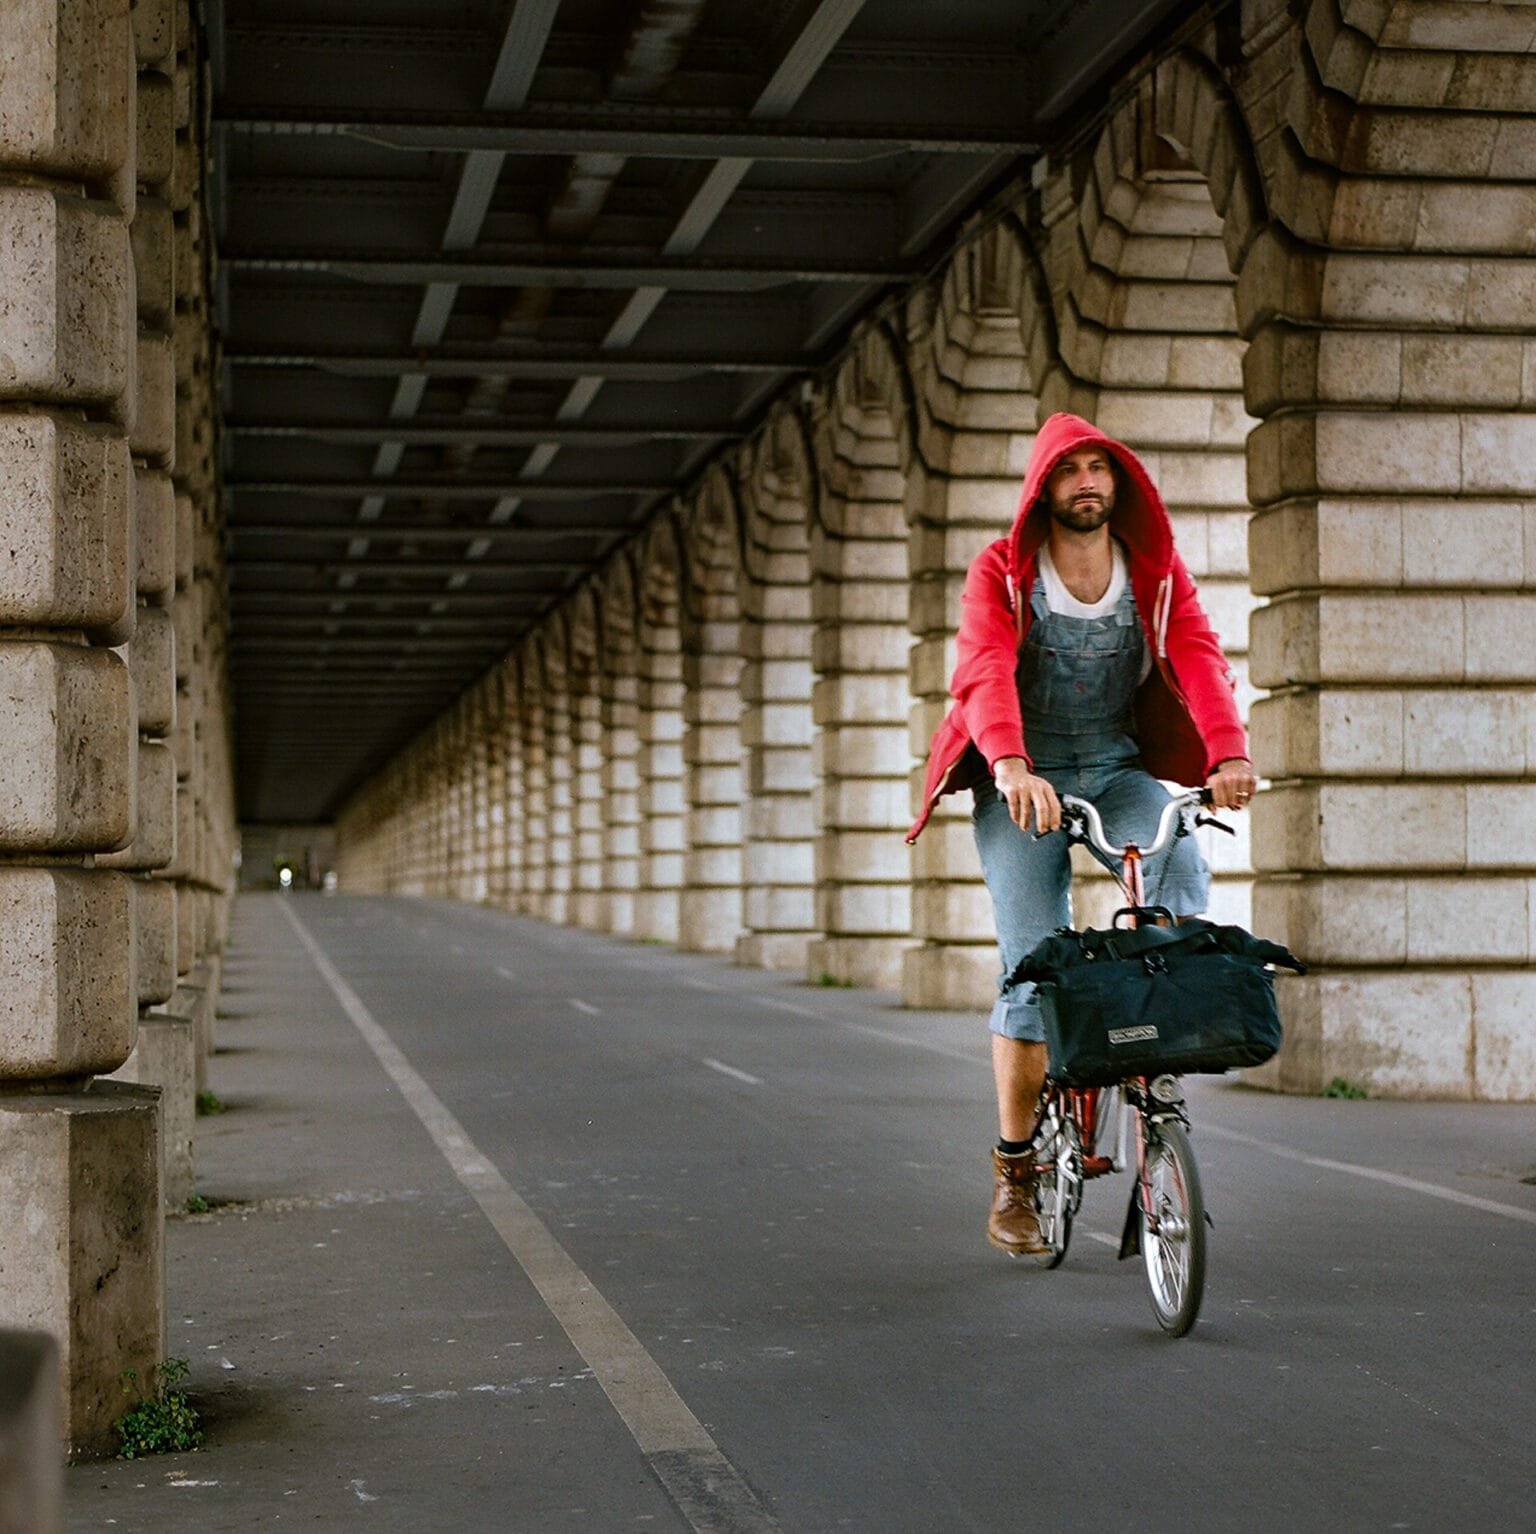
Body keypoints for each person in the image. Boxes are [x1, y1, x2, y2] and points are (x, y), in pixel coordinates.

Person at [906, 412, 1256, 1256]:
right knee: (1032, 969)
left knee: (1176, 880)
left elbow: (1202, 656)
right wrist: (1012, 765)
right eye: (1071, 471)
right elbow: (984, 667)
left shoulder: (1156, 574)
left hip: (1114, 766)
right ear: (1044, 489)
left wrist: (1229, 752)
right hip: (1021, 776)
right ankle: (1017, 1171)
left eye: (1101, 468)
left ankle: (1155, 1083)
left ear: (1118, 484)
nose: (1088, 482)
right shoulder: (1003, 570)